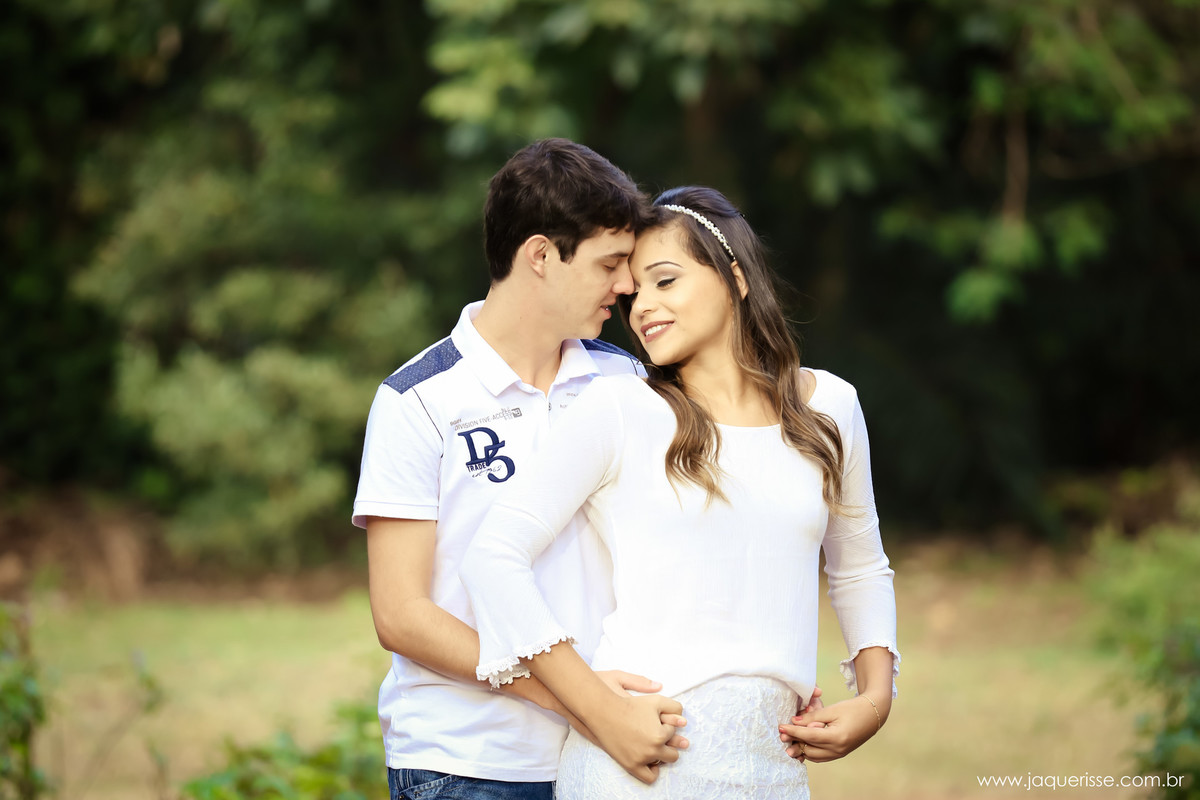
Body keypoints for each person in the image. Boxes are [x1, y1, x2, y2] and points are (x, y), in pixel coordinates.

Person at [461, 186, 900, 799]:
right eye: (633, 290)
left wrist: (875, 701)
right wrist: (592, 702)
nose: (641, 307)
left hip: (775, 769)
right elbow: (493, 555)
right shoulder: (619, 407)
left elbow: (859, 568)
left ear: (736, 279)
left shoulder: (829, 407)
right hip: (640, 765)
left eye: (664, 281)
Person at [352, 139, 689, 800]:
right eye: (611, 264)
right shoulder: (417, 401)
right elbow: (402, 615)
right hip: (469, 766)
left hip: (610, 762)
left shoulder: (625, 384)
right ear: (540, 255)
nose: (627, 288)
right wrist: (581, 699)